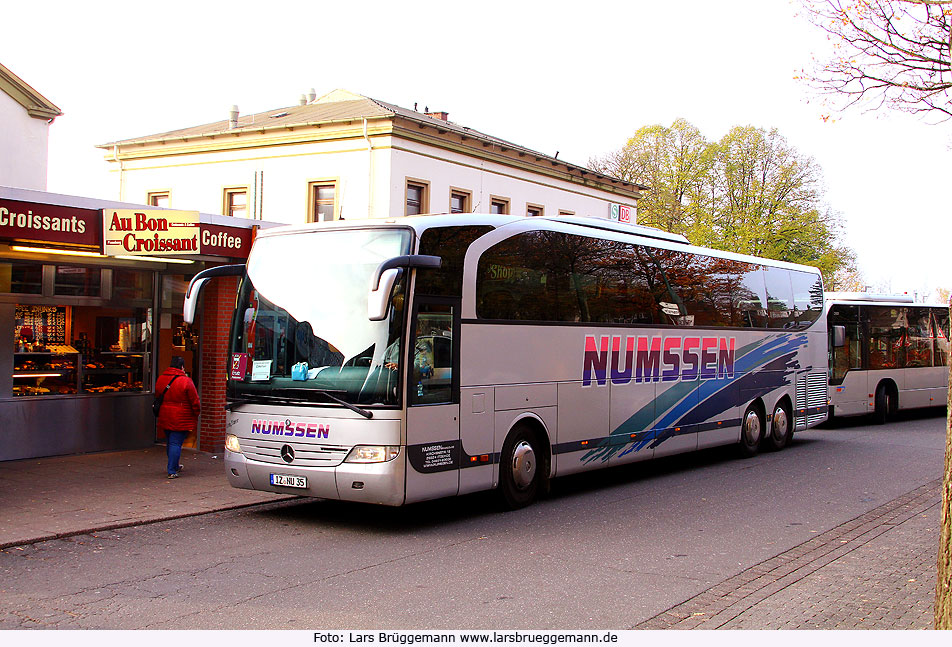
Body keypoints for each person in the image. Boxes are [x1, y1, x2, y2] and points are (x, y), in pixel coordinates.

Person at [155, 356, 200, 479]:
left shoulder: (161, 379)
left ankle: (174, 465)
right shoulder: (186, 381)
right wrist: (196, 413)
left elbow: (158, 394)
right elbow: (195, 401)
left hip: (165, 414)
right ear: (182, 367)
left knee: (170, 442)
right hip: (181, 417)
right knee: (175, 443)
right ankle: (172, 469)